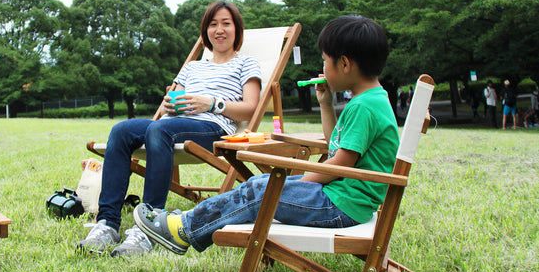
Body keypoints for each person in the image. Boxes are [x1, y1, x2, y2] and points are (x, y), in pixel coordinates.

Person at [133, 14, 399, 257]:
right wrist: (326, 104)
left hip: (340, 205)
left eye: (325, 60)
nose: (323, 67)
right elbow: (335, 148)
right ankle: (188, 220)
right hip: (344, 200)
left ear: (344, 64)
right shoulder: (371, 101)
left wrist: (302, 182)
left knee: (262, 190)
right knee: (261, 184)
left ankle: (183, 230)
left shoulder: (363, 107)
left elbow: (341, 164)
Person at [76, 0, 262, 256]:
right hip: (174, 124)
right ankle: (107, 224)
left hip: (213, 128)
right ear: (206, 31)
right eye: (213, 24)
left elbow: (251, 107)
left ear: (236, 29)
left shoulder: (246, 64)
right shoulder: (192, 66)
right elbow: (169, 107)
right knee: (121, 131)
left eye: (226, 24)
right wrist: (168, 106)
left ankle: (148, 228)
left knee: (158, 130)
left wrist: (213, 103)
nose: (219, 30)